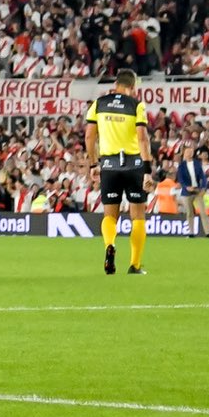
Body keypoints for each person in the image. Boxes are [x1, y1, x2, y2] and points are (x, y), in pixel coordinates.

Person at [85, 69, 152, 275]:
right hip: (133, 164)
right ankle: (135, 264)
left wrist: (93, 165)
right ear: (132, 87)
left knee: (110, 216)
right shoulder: (137, 106)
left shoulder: (99, 104)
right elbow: (142, 138)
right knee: (138, 216)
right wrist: (147, 170)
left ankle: (109, 245)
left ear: (116, 84)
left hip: (109, 165)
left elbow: (89, 137)